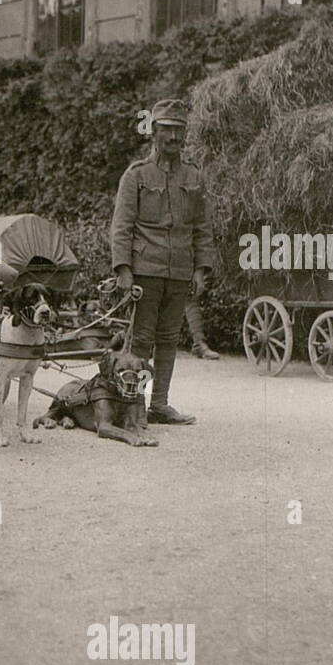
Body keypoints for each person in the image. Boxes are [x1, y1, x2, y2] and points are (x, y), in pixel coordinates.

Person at [110, 98, 215, 425]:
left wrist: (200, 268)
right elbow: (122, 226)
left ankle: (160, 404)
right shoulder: (136, 175)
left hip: (179, 270)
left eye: (179, 131)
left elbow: (202, 226)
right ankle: (134, 405)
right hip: (145, 270)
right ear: (153, 132)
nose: (173, 138)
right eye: (167, 130)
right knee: (141, 339)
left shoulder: (193, 175)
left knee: (169, 338)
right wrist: (123, 269)